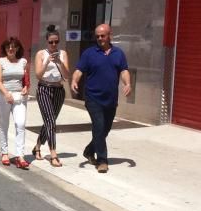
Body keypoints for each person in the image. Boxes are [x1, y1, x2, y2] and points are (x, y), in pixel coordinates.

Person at [71, 23, 131, 174]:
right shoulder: (89, 53)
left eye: (102, 36)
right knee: (98, 126)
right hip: (93, 98)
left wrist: (128, 83)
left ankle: (89, 150)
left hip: (110, 99)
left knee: (105, 129)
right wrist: (74, 81)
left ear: (109, 35)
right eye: (97, 36)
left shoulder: (118, 53)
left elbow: (124, 70)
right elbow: (79, 70)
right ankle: (102, 160)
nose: (99, 39)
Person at [32, 28, 70, 167]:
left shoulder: (63, 54)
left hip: (59, 90)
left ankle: (37, 146)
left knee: (50, 121)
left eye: (56, 42)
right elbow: (38, 75)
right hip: (44, 89)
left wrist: (59, 62)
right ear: (46, 42)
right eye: (51, 42)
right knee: (50, 122)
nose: (54, 45)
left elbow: (66, 75)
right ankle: (53, 154)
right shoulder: (40, 54)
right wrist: (47, 61)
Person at [0, 36, 31, 170]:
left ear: (18, 48)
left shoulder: (23, 62)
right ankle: (4, 152)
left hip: (19, 97)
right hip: (3, 95)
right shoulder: (0, 62)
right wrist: (6, 93)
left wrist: (27, 87)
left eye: (14, 46)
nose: (11, 48)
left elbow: (26, 79)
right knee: (4, 124)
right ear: (5, 49)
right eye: (8, 47)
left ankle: (20, 156)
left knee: (20, 123)